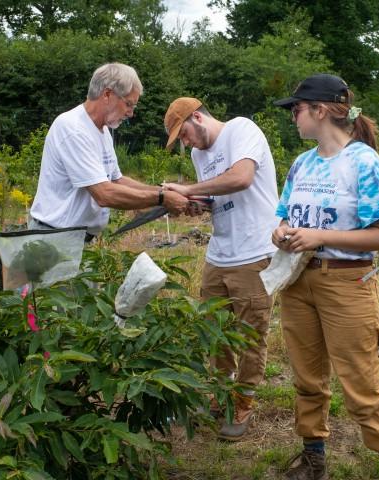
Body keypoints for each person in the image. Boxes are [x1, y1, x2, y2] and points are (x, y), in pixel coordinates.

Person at [272, 74, 379, 479]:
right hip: (298, 281)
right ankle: (313, 457)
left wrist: (318, 236)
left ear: (320, 110)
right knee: (306, 377)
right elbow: (282, 213)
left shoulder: (364, 162)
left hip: (347, 283)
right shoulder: (303, 162)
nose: (292, 117)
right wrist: (279, 231)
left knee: (361, 387)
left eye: (296, 109)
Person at [163, 97, 279, 441]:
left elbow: (241, 178)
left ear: (198, 117)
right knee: (212, 330)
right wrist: (191, 204)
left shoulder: (242, 129)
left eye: (183, 134)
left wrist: (189, 188)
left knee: (250, 332)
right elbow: (217, 199)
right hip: (220, 253)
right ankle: (220, 393)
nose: (185, 143)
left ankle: (243, 400)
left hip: (254, 250)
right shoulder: (200, 155)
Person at [29, 63, 189, 239]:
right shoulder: (73, 128)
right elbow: (104, 194)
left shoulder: (103, 131)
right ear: (107, 94)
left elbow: (117, 180)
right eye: (129, 104)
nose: (131, 113)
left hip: (76, 238)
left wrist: (162, 191)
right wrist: (162, 198)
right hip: (53, 237)